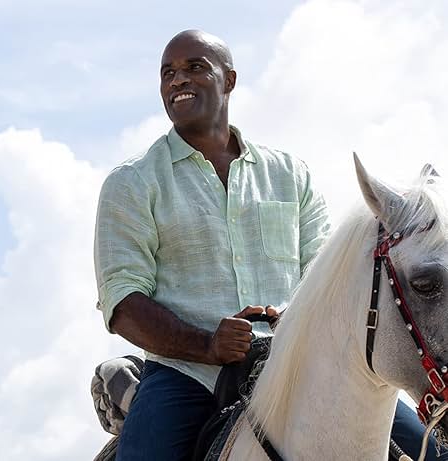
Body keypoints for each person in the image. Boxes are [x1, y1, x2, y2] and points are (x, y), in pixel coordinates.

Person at [94, 29, 443, 460]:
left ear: (230, 80)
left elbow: (324, 276)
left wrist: (292, 318)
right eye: (168, 73)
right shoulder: (132, 182)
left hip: (299, 367)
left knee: (437, 450)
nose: (177, 80)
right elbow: (123, 303)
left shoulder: (291, 175)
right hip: (187, 375)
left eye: (194, 68)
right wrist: (208, 344)